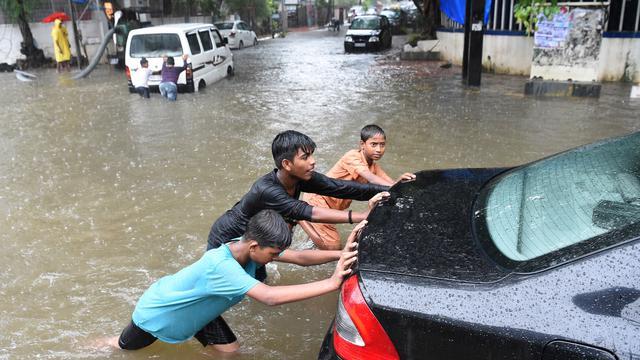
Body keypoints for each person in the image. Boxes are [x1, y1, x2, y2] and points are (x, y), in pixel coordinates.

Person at [107, 210, 363, 353]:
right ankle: (97, 344)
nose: (275, 258)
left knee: (230, 352)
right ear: (254, 245)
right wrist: (332, 283)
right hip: (160, 313)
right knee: (121, 348)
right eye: (273, 254)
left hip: (202, 311)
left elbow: (298, 257)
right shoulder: (224, 267)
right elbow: (269, 297)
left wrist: (342, 254)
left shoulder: (246, 248)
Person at [207, 130, 389, 280]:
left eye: (312, 155)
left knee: (260, 279)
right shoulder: (267, 190)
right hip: (229, 238)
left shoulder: (301, 178)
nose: (313, 161)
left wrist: (391, 188)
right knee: (231, 284)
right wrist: (361, 216)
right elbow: (307, 212)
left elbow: (342, 187)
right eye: (305, 157)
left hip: (258, 238)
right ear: (287, 164)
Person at [299, 124, 415, 250]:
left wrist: (402, 181)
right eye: (374, 144)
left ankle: (311, 231)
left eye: (382, 145)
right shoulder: (352, 156)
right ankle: (300, 218)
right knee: (332, 248)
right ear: (362, 144)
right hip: (318, 199)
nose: (379, 149)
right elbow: (370, 178)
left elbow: (391, 186)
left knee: (317, 242)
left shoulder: (374, 167)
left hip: (331, 205)